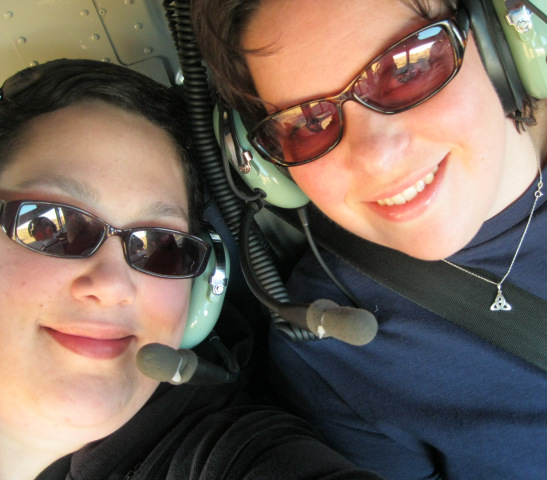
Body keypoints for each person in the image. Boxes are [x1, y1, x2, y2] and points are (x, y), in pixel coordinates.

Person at [191, 0, 547, 478]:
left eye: (411, 67)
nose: (376, 157)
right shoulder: (332, 347)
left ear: (501, 37)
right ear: (268, 168)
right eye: (308, 124)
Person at [0, 58, 385, 480]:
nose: (112, 285)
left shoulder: (217, 451)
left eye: (163, 248)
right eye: (52, 225)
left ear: (200, 292)